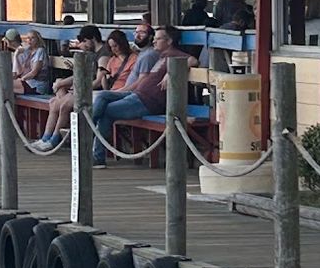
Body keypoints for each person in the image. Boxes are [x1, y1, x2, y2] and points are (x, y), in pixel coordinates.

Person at [91, 25, 197, 167]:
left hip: (146, 101)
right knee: (103, 95)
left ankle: (95, 152)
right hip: (135, 95)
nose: (154, 41)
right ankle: (88, 125)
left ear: (169, 41)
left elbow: (193, 61)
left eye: (158, 39)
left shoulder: (174, 54)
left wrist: (171, 73)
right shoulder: (161, 55)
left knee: (106, 111)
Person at [30, 26, 106, 153]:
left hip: (94, 92)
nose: (83, 45)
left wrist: (77, 88)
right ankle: (46, 138)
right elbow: (81, 75)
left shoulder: (103, 55)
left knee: (64, 105)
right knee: (54, 102)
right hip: (84, 88)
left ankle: (54, 140)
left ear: (92, 39)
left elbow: (98, 81)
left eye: (84, 41)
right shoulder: (91, 55)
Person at [13, 30, 50, 95]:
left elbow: (34, 72)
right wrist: (16, 56)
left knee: (4, 86)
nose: (29, 40)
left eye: (32, 38)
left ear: (38, 39)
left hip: (36, 85)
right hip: (27, 82)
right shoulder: (27, 51)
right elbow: (19, 71)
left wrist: (22, 79)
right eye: (28, 38)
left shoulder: (40, 51)